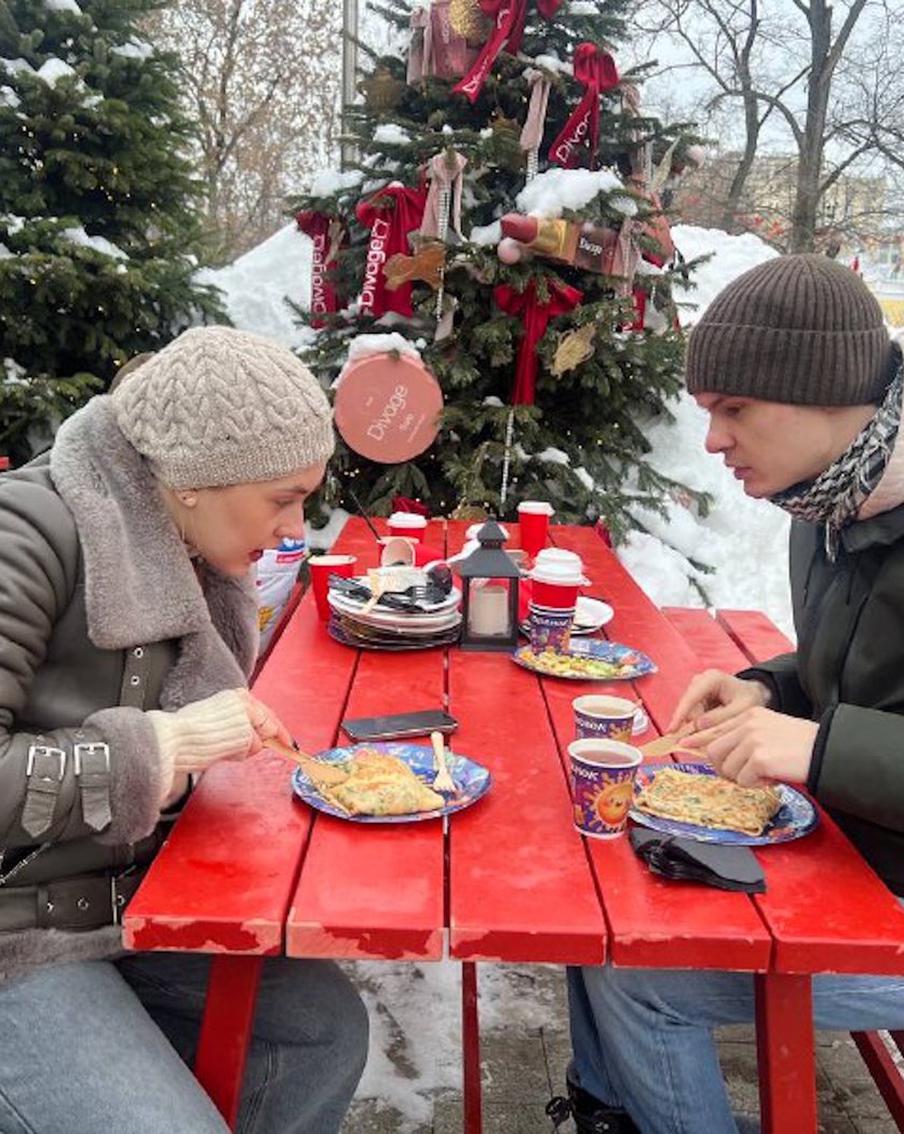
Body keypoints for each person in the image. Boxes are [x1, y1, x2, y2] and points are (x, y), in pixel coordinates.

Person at [554, 254, 904, 1133]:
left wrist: (818, 750)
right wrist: (765, 688)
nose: (712, 441)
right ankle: (615, 1110)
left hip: (881, 899)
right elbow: (857, 670)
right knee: (591, 901)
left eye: (734, 409)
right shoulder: (831, 504)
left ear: (825, 392)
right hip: (853, 860)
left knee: (640, 971)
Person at [0, 326, 368, 1133]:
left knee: (318, 1035)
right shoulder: (26, 536)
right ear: (197, 480)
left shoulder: (183, 538)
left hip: (125, 906)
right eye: (281, 499)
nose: (293, 529)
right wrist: (160, 749)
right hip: (15, 937)